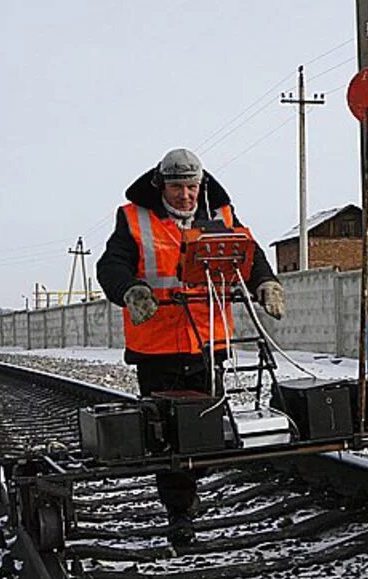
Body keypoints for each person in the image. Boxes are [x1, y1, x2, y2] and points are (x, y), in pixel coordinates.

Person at [97, 148, 284, 546]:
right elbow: (111, 266)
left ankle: (190, 484)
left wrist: (265, 282)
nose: (186, 195)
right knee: (168, 435)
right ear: (161, 186)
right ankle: (179, 512)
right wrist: (130, 290)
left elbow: (251, 256)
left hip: (208, 339)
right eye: (178, 187)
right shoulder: (133, 219)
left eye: (192, 187)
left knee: (201, 429)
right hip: (157, 344)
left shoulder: (221, 215)